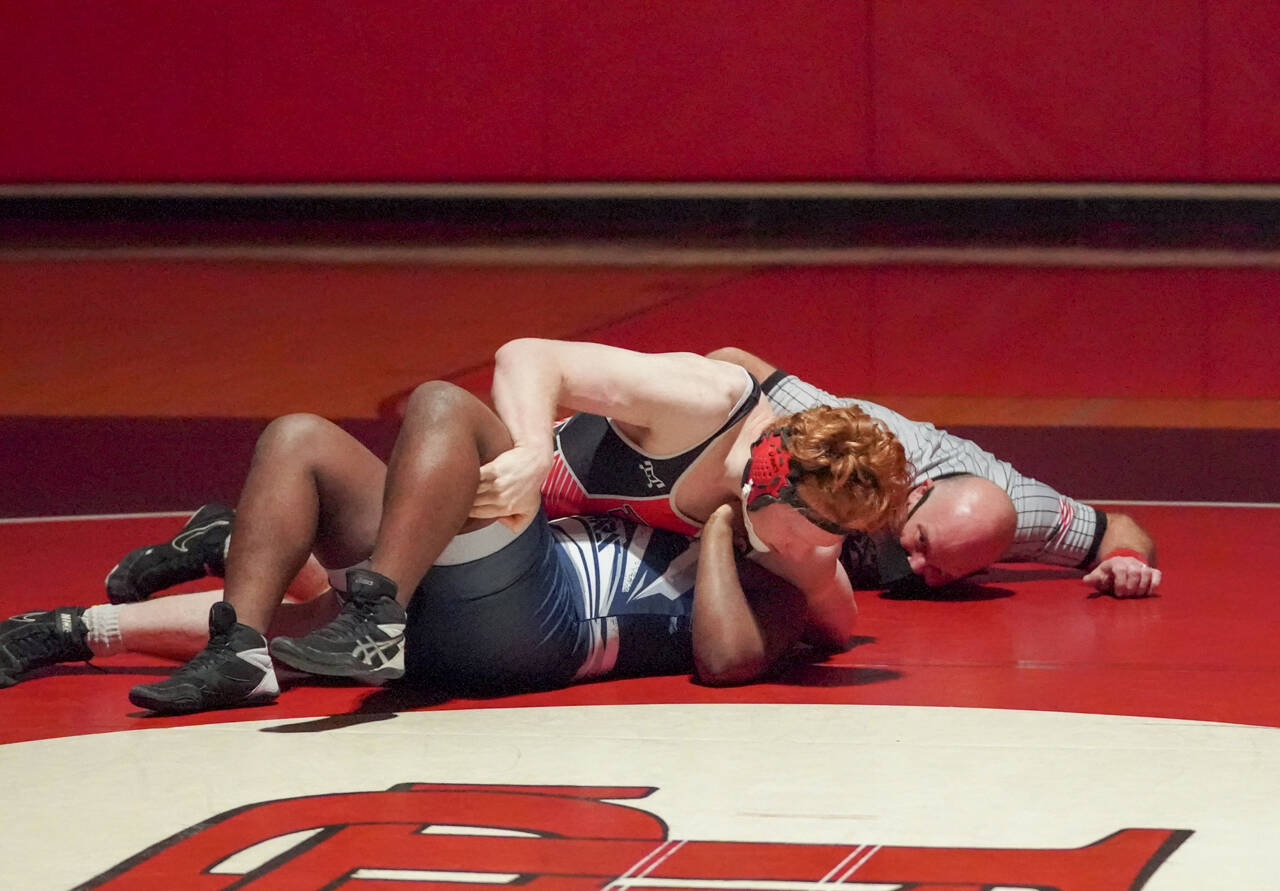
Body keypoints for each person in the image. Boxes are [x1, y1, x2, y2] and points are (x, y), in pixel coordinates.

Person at [1, 359, 903, 709]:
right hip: (490, 576)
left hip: (537, 617)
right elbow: (531, 357)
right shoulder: (710, 420)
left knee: (440, 404)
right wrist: (538, 453)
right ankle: (150, 637)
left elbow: (743, 654)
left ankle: (356, 598)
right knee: (300, 439)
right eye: (816, 527)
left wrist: (729, 534)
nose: (819, 547)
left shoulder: (787, 565)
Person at [706, 348, 1162, 598]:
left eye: (946, 570)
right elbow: (735, 364)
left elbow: (1116, 530)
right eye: (921, 542)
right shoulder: (857, 452)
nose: (916, 567)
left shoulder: (1018, 514)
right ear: (915, 491)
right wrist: (755, 459)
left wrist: (1127, 562)